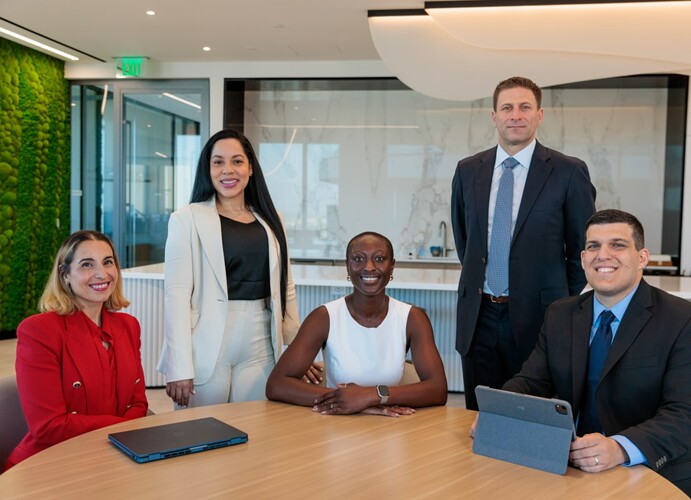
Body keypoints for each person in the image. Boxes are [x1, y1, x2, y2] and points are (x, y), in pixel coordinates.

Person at [476, 209, 690, 494]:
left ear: (642, 257)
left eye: (617, 245)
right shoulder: (561, 313)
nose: (603, 255)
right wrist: (498, 412)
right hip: (568, 466)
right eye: (593, 246)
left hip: (649, 473)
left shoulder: (681, 319)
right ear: (583, 258)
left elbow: (683, 414)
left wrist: (619, 449)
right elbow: (532, 381)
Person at [451, 76, 596, 410]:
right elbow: (465, 240)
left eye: (524, 107)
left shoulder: (568, 172)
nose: (515, 115)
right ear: (494, 117)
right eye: (507, 108)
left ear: (539, 115)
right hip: (478, 317)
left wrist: (559, 300)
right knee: (478, 415)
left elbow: (583, 249)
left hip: (539, 318)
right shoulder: (468, 170)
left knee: (531, 416)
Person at [157, 128, 307, 408]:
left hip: (261, 339)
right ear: (208, 169)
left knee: (257, 423)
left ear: (250, 168)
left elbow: (286, 286)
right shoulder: (186, 218)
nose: (228, 170)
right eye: (218, 162)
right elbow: (176, 295)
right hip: (205, 342)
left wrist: (299, 350)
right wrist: (179, 367)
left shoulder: (272, 219)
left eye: (237, 161)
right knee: (202, 428)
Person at [4, 230, 148, 471]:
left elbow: (139, 405)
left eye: (108, 262)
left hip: (114, 458)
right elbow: (49, 427)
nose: (102, 274)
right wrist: (122, 428)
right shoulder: (39, 331)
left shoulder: (129, 326)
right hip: (49, 464)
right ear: (65, 275)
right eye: (87, 265)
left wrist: (122, 432)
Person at [266, 232, 447, 416]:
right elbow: (276, 384)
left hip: (392, 425)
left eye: (379, 259)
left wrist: (370, 396)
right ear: (347, 266)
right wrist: (347, 400)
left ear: (392, 266)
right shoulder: (324, 317)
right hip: (337, 423)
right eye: (358, 259)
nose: (369, 267)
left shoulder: (413, 318)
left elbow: (438, 389)